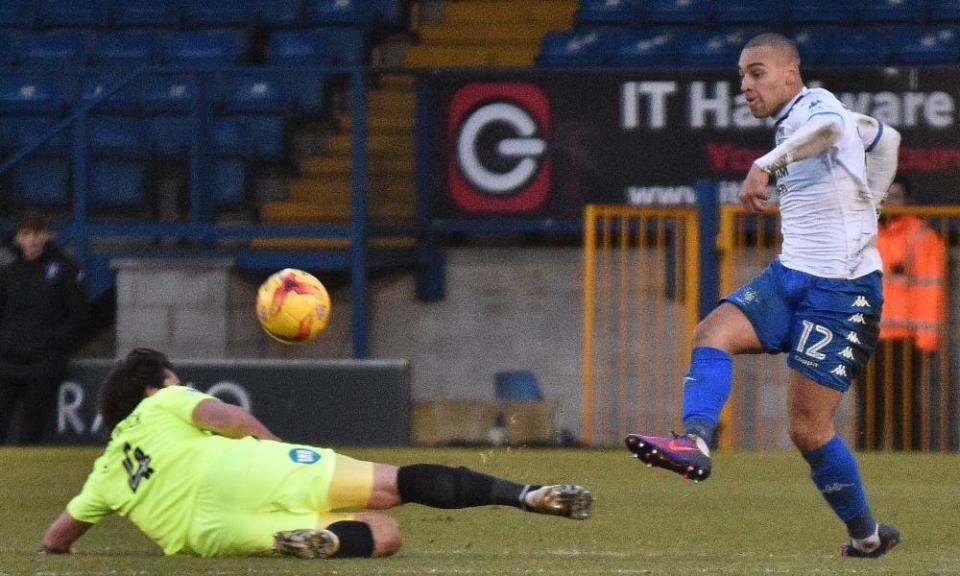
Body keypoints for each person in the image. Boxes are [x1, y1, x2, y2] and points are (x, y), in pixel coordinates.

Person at [624, 33, 901, 558]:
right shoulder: (798, 117)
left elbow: (831, 128)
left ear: (791, 73)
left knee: (808, 429)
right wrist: (875, 199)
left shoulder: (813, 106)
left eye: (757, 72)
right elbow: (887, 139)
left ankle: (866, 537)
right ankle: (696, 441)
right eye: (741, 77)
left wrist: (765, 164)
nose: (745, 85)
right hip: (791, 275)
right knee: (712, 333)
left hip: (841, 293)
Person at [41, 348, 593, 559]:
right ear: (152, 387)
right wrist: (279, 454)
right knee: (393, 487)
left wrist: (63, 549)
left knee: (380, 535)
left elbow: (57, 537)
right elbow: (230, 419)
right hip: (247, 472)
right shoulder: (164, 400)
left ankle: (326, 542)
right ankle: (524, 495)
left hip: (207, 532)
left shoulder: (104, 475)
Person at [862, 176, 946, 449]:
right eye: (884, 195)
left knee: (904, 405)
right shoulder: (865, 235)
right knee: (869, 405)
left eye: (895, 195)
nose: (889, 202)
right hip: (868, 336)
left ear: (908, 200)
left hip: (906, 339)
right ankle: (866, 462)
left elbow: (929, 292)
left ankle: (908, 461)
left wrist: (925, 341)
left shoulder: (921, 236)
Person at [0, 210, 91, 445]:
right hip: (8, 363)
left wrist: (51, 344)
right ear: (18, 238)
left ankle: (25, 480)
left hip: (44, 365)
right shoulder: (8, 271)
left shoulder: (65, 269)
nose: (32, 239)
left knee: (31, 432)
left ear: (48, 236)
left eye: (38, 233)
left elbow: (78, 317)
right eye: (26, 233)